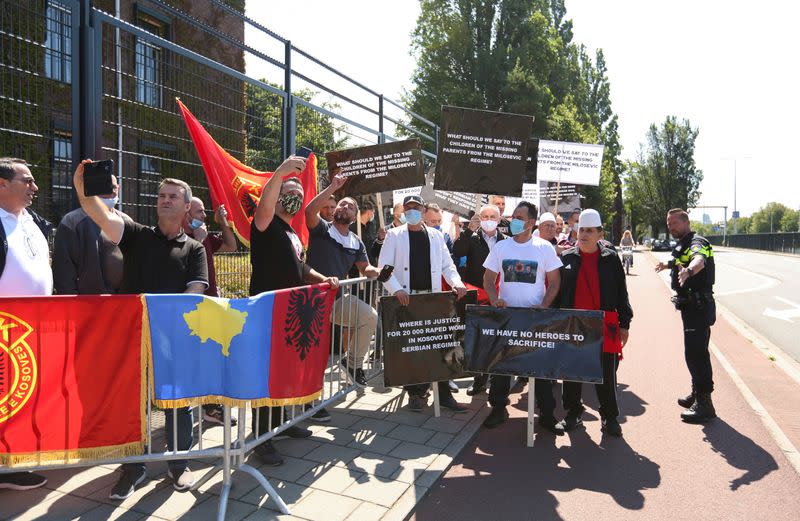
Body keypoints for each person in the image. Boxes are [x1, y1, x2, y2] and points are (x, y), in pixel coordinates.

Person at [73, 160, 208, 499]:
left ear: (186, 206)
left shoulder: (194, 249)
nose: (164, 200)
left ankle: (179, 464)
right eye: (161, 195)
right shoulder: (135, 235)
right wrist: (82, 188)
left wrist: (166, 311)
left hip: (173, 340)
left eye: (173, 196)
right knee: (132, 404)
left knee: (178, 402)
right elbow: (100, 214)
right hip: (132, 337)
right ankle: (133, 467)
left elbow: (196, 290)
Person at [249, 155, 339, 466]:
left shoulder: (292, 233)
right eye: (289, 191)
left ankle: (280, 425)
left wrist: (321, 278)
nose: (294, 197)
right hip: (266, 310)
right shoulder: (264, 223)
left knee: (283, 370)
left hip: (288, 312)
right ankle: (261, 438)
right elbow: (265, 204)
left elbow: (299, 267)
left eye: (298, 195)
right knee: (267, 374)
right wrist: (280, 174)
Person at [378, 194, 469, 413]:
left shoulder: (437, 237)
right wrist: (397, 289)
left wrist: (456, 283)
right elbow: (384, 268)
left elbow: (448, 266)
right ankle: (416, 394)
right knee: (413, 348)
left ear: (424, 210)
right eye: (408, 208)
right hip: (407, 301)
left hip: (433, 300)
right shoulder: (394, 235)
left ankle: (444, 393)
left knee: (439, 346)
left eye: (416, 207)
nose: (411, 211)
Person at [481, 202, 562, 432]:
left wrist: (543, 307)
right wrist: (495, 298)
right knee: (502, 367)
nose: (513, 220)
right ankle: (498, 408)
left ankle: (547, 414)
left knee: (540, 369)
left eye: (518, 217)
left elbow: (555, 282)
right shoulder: (501, 248)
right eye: (513, 216)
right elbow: (488, 279)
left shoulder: (544, 248)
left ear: (530, 222)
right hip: (507, 318)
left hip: (534, 319)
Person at [305, 175, 381, 420]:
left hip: (337, 299)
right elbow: (309, 210)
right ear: (334, 209)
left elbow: (364, 268)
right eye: (341, 204)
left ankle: (353, 362)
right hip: (311, 301)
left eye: (350, 206)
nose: (344, 207)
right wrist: (332, 188)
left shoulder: (356, 240)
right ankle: (310, 402)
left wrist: (378, 272)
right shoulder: (322, 229)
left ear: (355, 215)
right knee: (314, 353)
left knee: (370, 317)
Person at [557, 209, 633, 437]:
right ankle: (573, 414)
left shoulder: (611, 258)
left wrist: (624, 323)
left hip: (605, 323)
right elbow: (558, 292)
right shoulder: (567, 257)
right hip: (574, 322)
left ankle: (609, 417)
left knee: (606, 375)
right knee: (572, 373)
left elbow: (622, 292)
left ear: (600, 233)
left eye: (590, 230)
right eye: (581, 230)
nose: (584, 234)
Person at [0, 158, 50, 491]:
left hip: (33, 330)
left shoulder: (32, 219)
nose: (34, 187)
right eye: (27, 181)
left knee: (22, 398)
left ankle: (13, 460)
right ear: (2, 185)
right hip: (6, 333)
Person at [655, 208, 717, 423]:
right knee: (693, 352)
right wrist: (668, 265)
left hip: (698, 307)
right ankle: (697, 393)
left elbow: (698, 259)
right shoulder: (684, 242)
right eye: (668, 223)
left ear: (686, 222)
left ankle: (705, 403)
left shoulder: (698, 242)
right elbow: (682, 258)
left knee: (696, 353)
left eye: (674, 223)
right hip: (690, 306)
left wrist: (689, 271)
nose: (670, 227)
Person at [181, 197, 238, 426]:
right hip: (193, 311)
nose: (204, 216)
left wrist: (222, 222)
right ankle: (195, 408)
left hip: (211, 305)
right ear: (187, 214)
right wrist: (198, 240)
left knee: (214, 358)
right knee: (198, 361)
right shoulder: (184, 238)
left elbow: (232, 246)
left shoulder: (205, 237)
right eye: (200, 212)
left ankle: (212, 407)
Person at [452, 204, 506, 396]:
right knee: (477, 340)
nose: (489, 219)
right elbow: (457, 252)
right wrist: (469, 230)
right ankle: (480, 380)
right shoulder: (472, 238)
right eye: (485, 216)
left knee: (496, 340)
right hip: (477, 296)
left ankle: (497, 381)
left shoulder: (506, 241)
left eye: (493, 216)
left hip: (500, 298)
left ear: (499, 220)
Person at [53, 174, 130, 294]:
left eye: (113, 187)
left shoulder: (126, 221)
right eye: (104, 187)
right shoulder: (72, 221)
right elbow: (63, 271)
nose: (110, 192)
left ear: (119, 188)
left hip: (121, 303)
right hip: (87, 304)